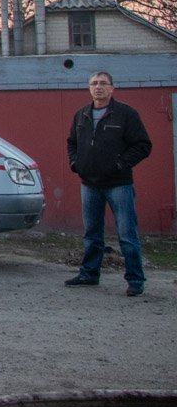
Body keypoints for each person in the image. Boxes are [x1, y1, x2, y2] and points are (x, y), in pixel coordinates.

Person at [65, 71, 151, 296]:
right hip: (89, 184)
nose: (98, 87)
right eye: (94, 83)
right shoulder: (81, 115)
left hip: (118, 184)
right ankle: (89, 274)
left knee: (127, 234)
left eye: (103, 83)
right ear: (89, 88)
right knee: (92, 233)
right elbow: (71, 142)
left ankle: (135, 280)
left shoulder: (126, 114)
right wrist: (76, 163)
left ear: (113, 88)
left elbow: (143, 145)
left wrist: (121, 164)